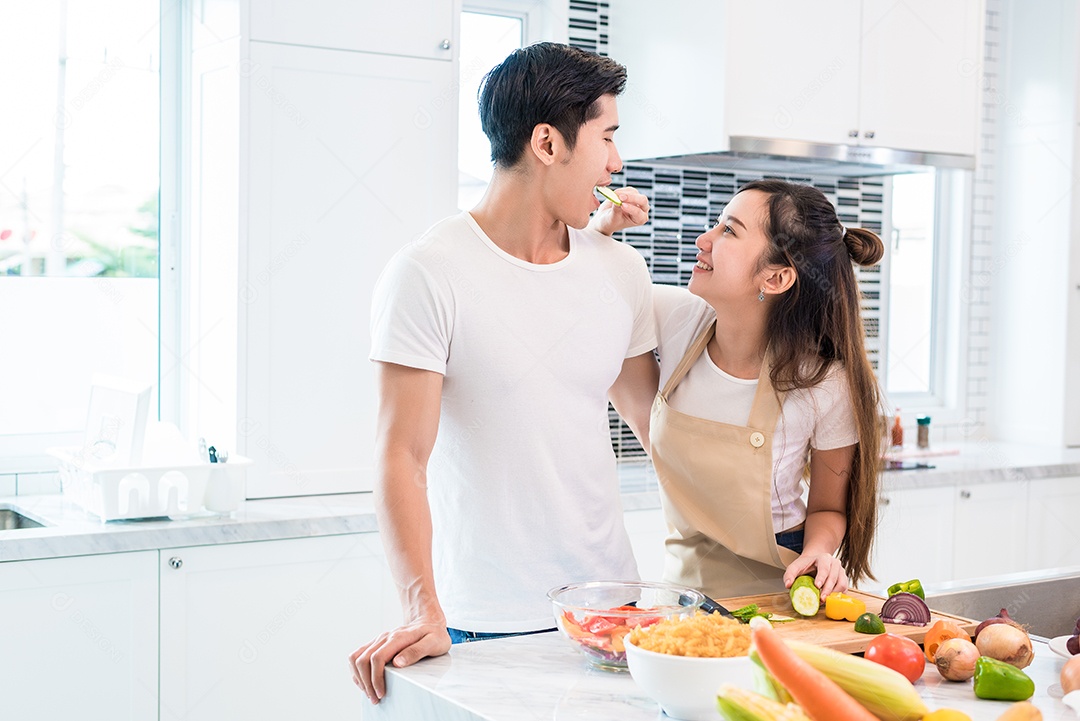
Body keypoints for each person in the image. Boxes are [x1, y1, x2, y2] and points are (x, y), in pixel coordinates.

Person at [349, 42, 656, 704]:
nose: (617, 162)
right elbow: (401, 455)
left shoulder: (621, 270)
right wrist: (419, 608)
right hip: (484, 622)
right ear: (548, 143)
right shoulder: (428, 272)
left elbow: (653, 421)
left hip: (615, 613)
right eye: (607, 137)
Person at [647, 179, 885, 600]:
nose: (704, 240)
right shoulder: (675, 322)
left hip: (775, 589)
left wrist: (818, 552)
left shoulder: (822, 383)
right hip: (682, 589)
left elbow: (828, 508)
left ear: (775, 278)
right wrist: (603, 231)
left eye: (729, 231)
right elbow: (589, 296)